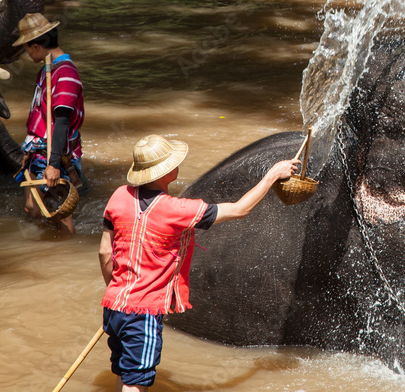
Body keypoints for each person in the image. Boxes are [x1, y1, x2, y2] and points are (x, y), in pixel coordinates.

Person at [99, 134, 299, 391]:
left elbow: (105, 252)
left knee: (125, 374)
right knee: (136, 384)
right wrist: (272, 175)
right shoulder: (176, 209)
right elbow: (239, 209)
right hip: (144, 312)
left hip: (114, 303)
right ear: (166, 171)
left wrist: (115, 294)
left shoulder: (118, 196)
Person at [13, 12, 86, 233]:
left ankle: (67, 254)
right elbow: (39, 115)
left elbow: (62, 121)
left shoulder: (65, 74)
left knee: (59, 213)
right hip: (39, 151)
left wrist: (54, 164)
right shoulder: (46, 72)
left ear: (35, 46)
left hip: (54, 153)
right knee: (32, 208)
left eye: (26, 49)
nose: (27, 54)